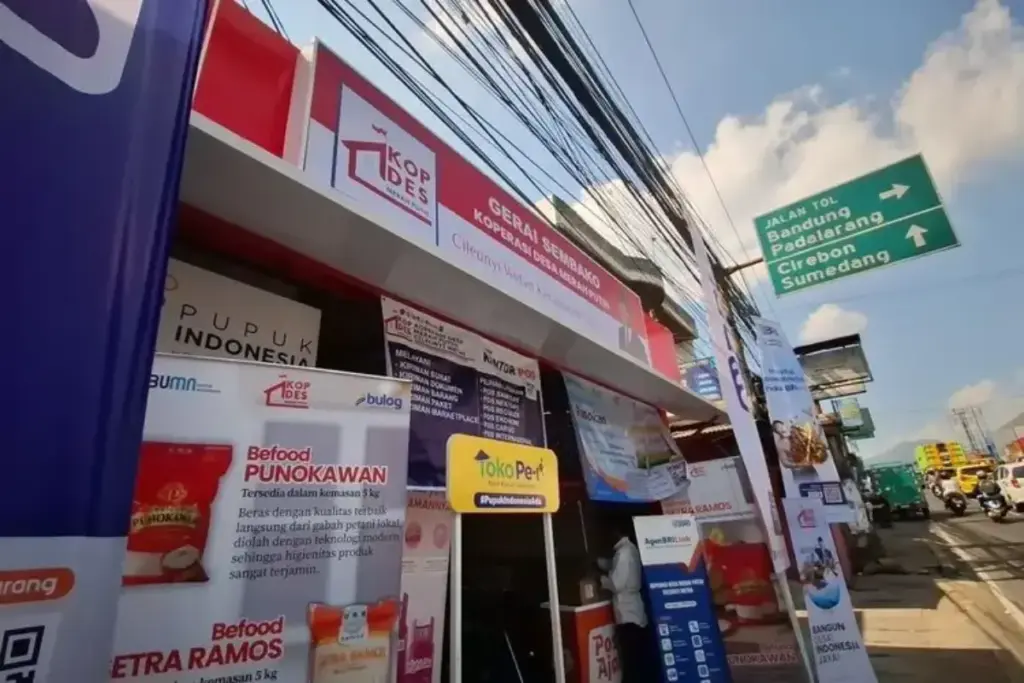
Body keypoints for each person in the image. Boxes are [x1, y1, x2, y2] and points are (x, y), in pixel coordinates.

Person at [599, 520, 653, 683]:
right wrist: (600, 563)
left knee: (631, 661)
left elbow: (616, 584)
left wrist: (601, 580)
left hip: (628, 614)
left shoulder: (623, 553)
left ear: (617, 532)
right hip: (635, 612)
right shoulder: (630, 549)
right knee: (637, 659)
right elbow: (615, 566)